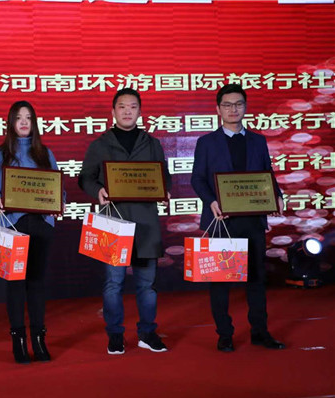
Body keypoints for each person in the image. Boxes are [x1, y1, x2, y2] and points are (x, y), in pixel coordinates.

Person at [191, 84, 285, 352]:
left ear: (245, 107)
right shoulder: (206, 142)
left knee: (256, 279)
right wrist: (211, 202)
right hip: (221, 221)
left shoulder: (258, 140)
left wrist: (277, 195)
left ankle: (260, 332)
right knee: (220, 282)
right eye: (227, 105)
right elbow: (197, 179)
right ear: (218, 109)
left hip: (252, 220)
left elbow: (267, 174)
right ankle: (225, 334)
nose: (233, 109)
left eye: (238, 104)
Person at [79, 88, 171, 355]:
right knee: (113, 284)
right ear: (113, 112)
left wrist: (165, 190)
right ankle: (115, 335)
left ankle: (147, 333)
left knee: (147, 285)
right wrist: (97, 190)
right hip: (114, 223)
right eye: (122, 106)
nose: (127, 111)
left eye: (133, 106)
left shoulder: (152, 144)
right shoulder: (100, 145)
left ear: (140, 112)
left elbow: (163, 175)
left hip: (145, 224)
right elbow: (85, 177)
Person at [0, 101, 64, 364]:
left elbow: (57, 187)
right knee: (15, 284)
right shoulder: (1, 155)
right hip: (12, 226)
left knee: (36, 284)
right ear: (11, 123)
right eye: (19, 118)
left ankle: (39, 338)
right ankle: (18, 339)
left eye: (28, 118)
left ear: (34, 122)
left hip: (41, 225)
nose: (24, 122)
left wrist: (59, 202)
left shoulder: (44, 154)